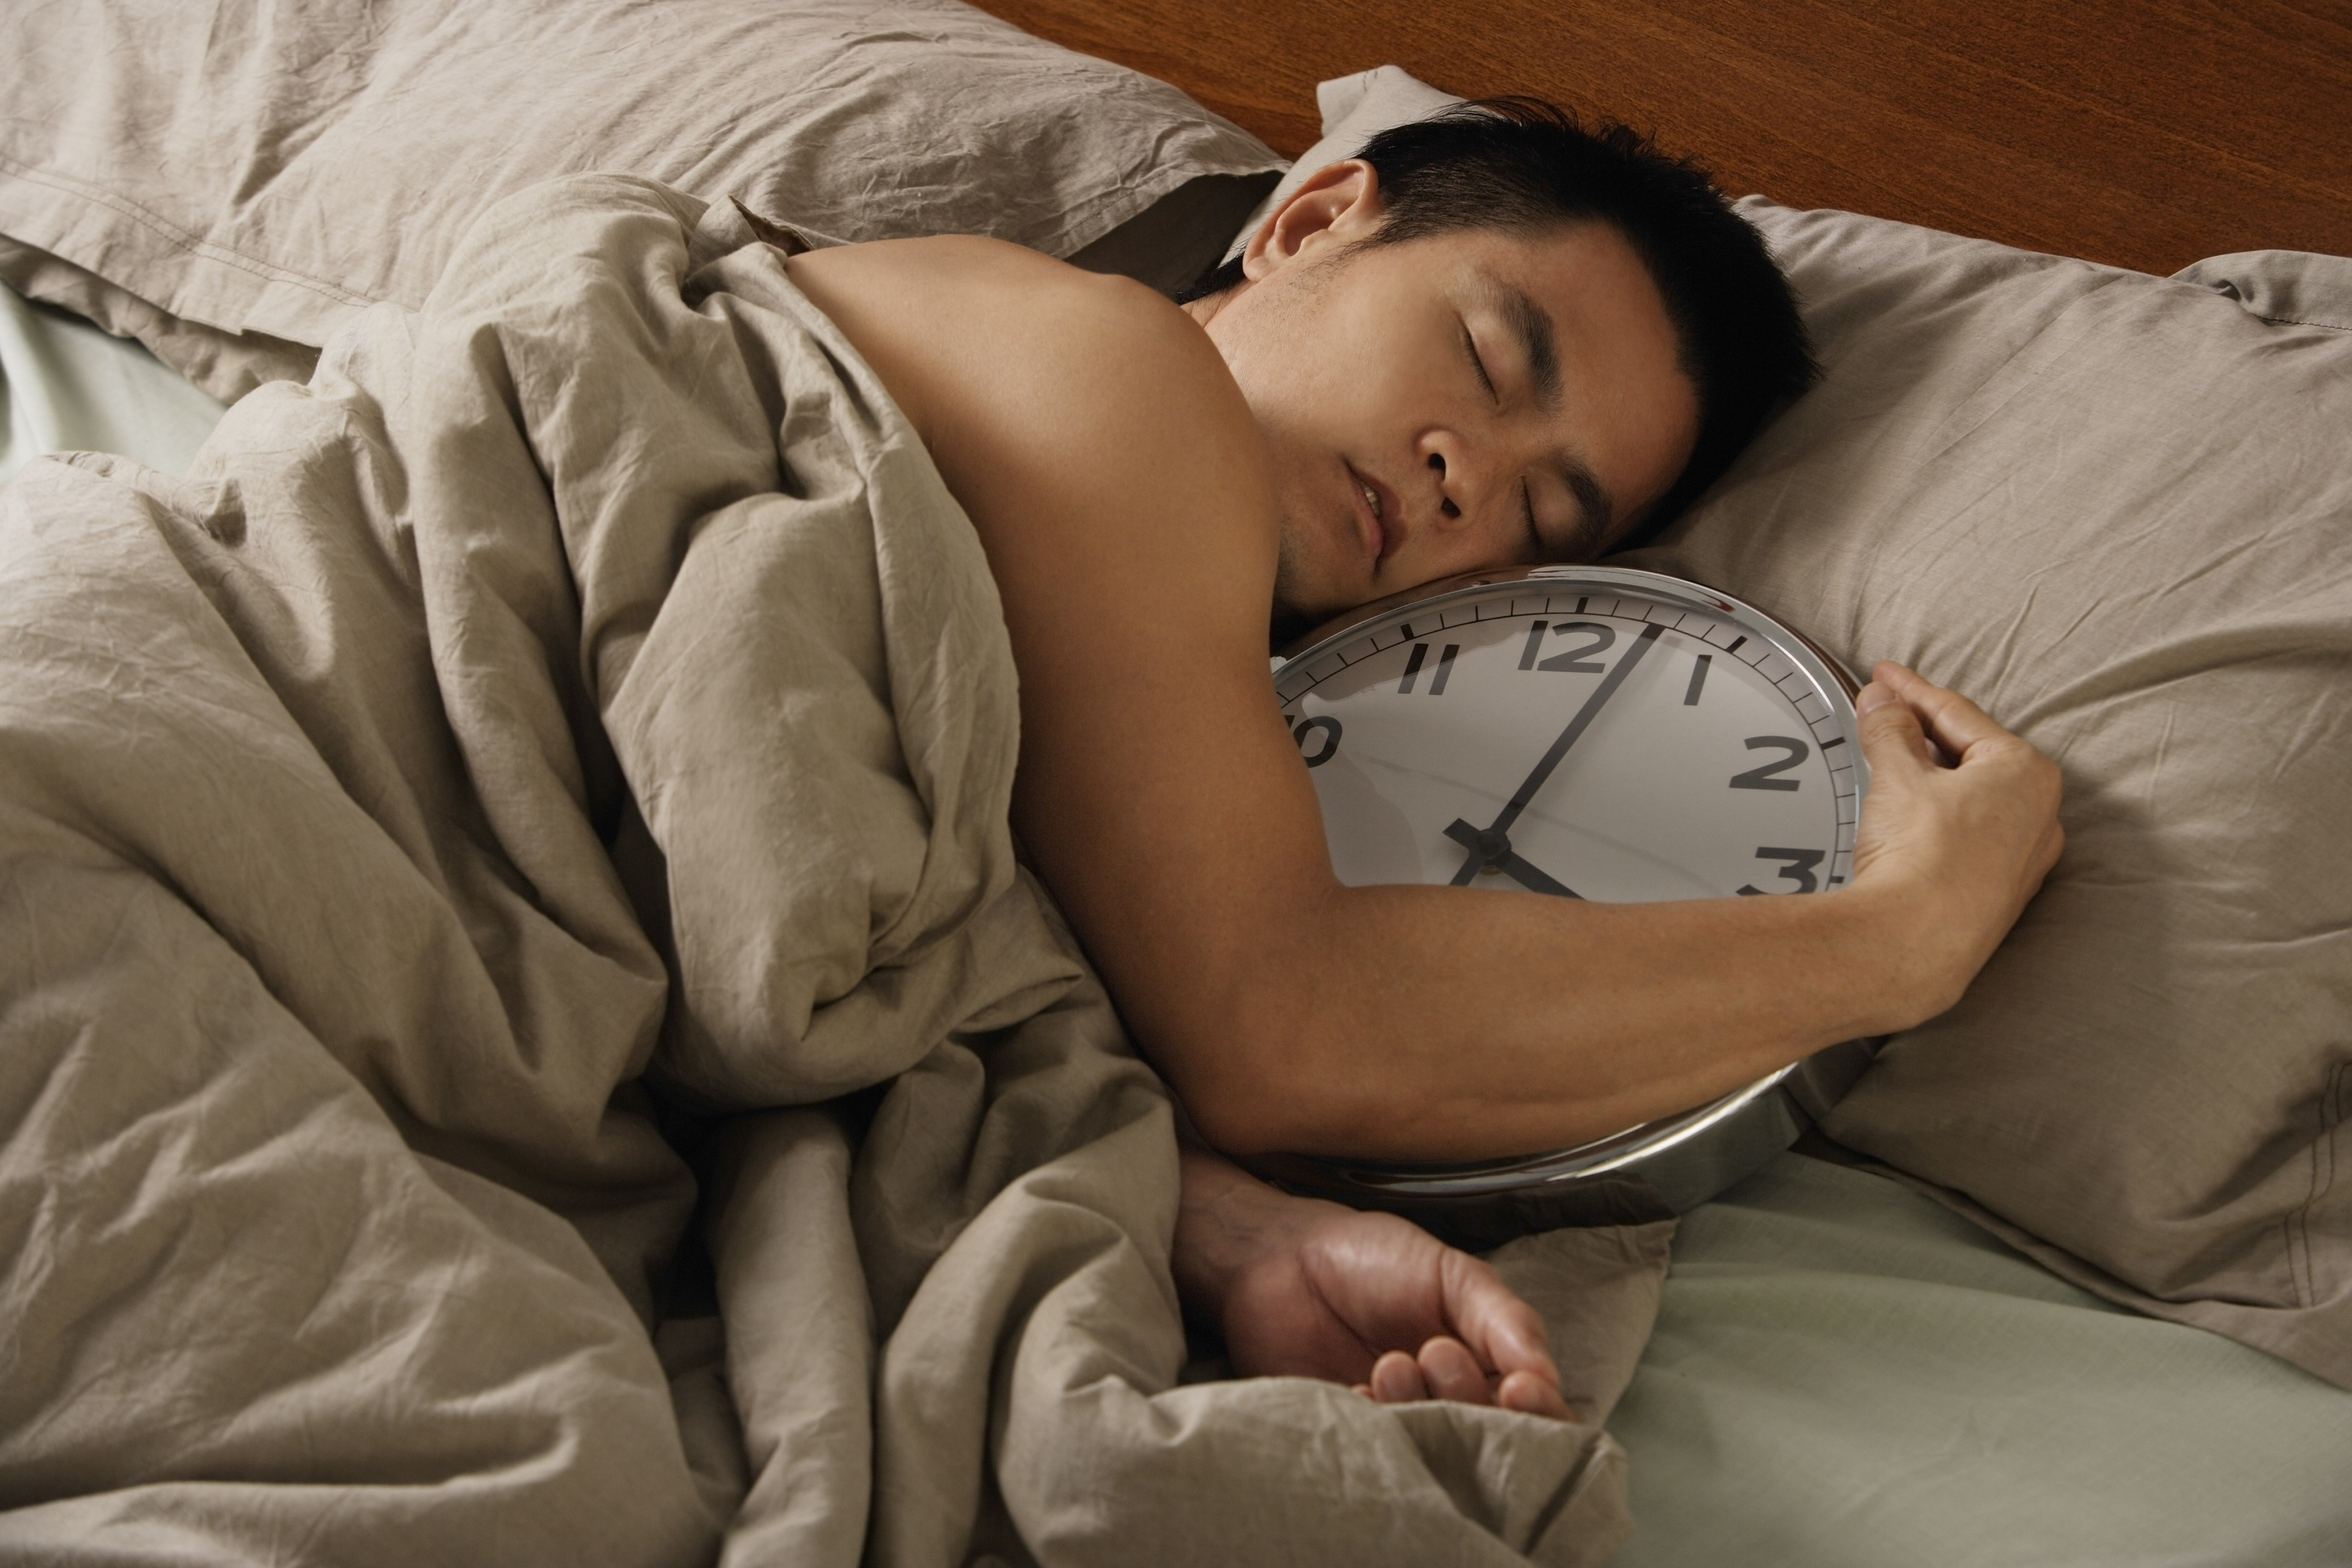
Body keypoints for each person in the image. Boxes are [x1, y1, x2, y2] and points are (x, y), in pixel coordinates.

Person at [782, 102, 2064, 1419]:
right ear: (1309, 223)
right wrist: (1908, 932)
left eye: (1540, 511)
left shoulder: (1140, 678)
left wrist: (1218, 1225)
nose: (1468, 479)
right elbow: (1277, 1021)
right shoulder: (1113, 358)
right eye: (1487, 359)